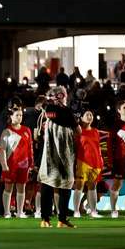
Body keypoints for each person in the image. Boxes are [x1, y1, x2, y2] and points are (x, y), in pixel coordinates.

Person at [38, 86, 79, 228]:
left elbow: (48, 113)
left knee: (49, 182)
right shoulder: (65, 112)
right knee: (65, 182)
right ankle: (61, 219)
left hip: (51, 151)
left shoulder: (49, 111)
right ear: (61, 96)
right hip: (63, 151)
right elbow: (78, 129)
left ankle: (46, 219)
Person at [0, 105, 33, 219]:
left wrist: (31, 163)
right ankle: (7, 212)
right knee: (8, 188)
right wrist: (4, 165)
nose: (19, 117)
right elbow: (2, 150)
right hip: (10, 165)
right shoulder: (6, 131)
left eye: (21, 115)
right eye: (17, 115)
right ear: (11, 117)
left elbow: (30, 148)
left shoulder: (27, 130)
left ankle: (20, 212)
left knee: (21, 188)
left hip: (24, 165)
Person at [73, 111, 104, 218]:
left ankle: (93, 211)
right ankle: (76, 211)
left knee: (92, 187)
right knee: (79, 186)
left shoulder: (95, 131)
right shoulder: (78, 131)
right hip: (82, 162)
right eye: (87, 115)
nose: (90, 117)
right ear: (81, 117)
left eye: (91, 115)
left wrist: (100, 161)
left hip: (95, 163)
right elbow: (74, 148)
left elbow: (98, 148)